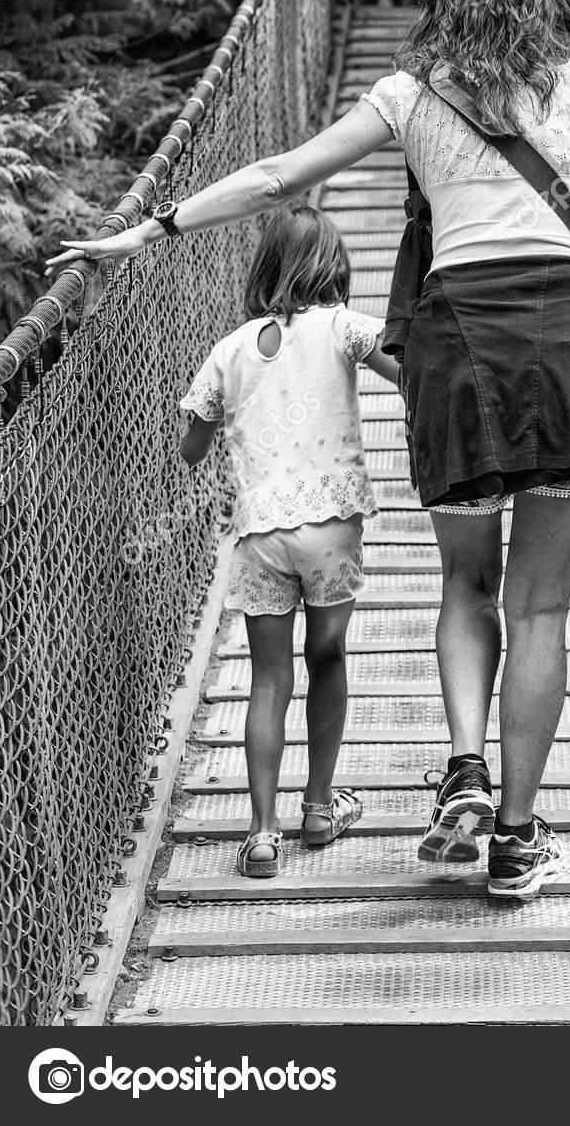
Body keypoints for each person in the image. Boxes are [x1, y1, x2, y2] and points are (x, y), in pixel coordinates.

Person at [47, 0, 570, 902]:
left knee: (467, 585)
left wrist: (149, 229)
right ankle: (516, 835)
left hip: (452, 347)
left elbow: (279, 177)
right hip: (563, 346)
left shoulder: (408, 91)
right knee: (541, 603)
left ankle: (464, 768)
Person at [177, 204, 400, 879]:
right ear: (333, 264)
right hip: (330, 525)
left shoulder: (232, 347)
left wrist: (216, 416)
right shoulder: (344, 327)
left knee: (269, 680)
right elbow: (411, 372)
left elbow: (191, 448)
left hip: (259, 535)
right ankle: (319, 806)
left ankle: (263, 834)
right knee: (326, 658)